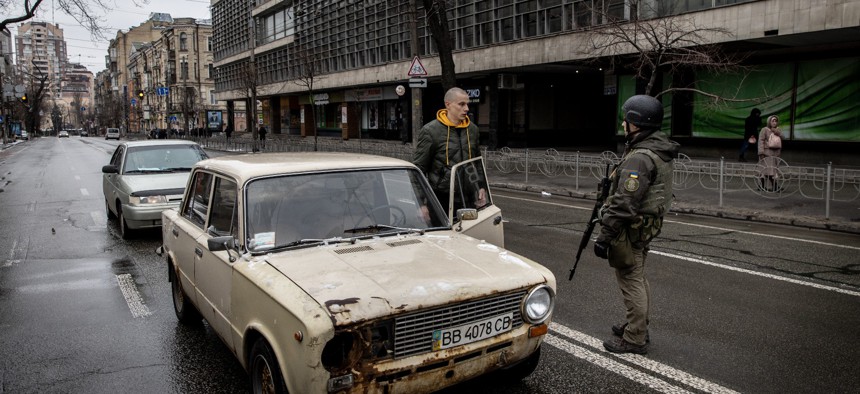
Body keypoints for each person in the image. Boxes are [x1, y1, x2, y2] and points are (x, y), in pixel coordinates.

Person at [593, 94, 680, 355]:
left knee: (630, 278)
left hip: (631, 228)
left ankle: (635, 337)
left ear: (637, 122)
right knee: (638, 276)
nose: (623, 124)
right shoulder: (657, 148)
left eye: (626, 119)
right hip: (646, 225)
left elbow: (624, 202)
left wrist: (605, 236)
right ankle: (637, 324)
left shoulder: (640, 157)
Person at [412, 87, 484, 212]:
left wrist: (481, 187)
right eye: (461, 104)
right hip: (441, 198)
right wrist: (421, 203)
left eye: (467, 104)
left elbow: (477, 162)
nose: (466, 108)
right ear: (448, 105)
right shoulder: (431, 131)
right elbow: (418, 169)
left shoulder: (473, 130)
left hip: (468, 197)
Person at [758, 115, 783, 191]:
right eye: (773, 121)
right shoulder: (764, 130)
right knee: (766, 171)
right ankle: (773, 186)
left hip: (775, 154)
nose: (774, 122)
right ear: (769, 121)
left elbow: (783, 137)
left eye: (776, 121)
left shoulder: (778, 130)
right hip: (766, 153)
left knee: (773, 170)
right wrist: (761, 152)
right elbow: (761, 141)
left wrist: (776, 132)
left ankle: (762, 186)